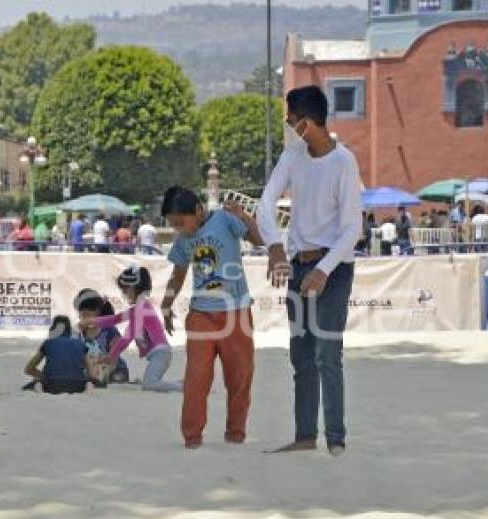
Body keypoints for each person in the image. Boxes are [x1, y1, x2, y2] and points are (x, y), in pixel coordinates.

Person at [256, 85, 363, 457]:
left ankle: (336, 439)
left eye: (290, 119)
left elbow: (353, 229)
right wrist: (273, 246)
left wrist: (325, 269)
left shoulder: (344, 162)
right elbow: (266, 204)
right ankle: (305, 437)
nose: (287, 125)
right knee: (300, 355)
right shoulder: (293, 156)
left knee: (326, 354)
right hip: (299, 265)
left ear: (307, 122)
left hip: (333, 269)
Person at [160, 186, 262, 449]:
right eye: (173, 225)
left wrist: (244, 215)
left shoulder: (225, 219)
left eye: (181, 222)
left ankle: (235, 433)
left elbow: (259, 239)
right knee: (196, 379)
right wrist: (166, 305)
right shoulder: (183, 241)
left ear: (198, 210)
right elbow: (178, 275)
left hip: (236, 313)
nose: (179, 229)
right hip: (201, 316)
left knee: (240, 377)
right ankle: (192, 437)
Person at [85, 267, 182, 392]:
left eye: (124, 290)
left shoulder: (141, 309)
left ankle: (185, 387)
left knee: (149, 385)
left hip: (161, 353)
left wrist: (111, 356)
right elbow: (116, 319)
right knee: (151, 382)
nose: (123, 294)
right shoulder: (140, 307)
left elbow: (127, 337)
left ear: (133, 288)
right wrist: (93, 321)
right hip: (159, 354)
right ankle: (182, 383)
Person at [23, 316, 92, 394]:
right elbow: (90, 372)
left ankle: (39, 389)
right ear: (69, 329)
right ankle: (89, 388)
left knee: (37, 380)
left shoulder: (48, 343)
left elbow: (29, 369)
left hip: (52, 384)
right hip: (77, 384)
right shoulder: (80, 344)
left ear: (53, 329)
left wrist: (43, 376)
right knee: (88, 382)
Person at [75, 289, 129, 385]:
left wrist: (102, 373)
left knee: (116, 379)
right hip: (91, 372)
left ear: (99, 311)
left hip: (115, 370)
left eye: (90, 309)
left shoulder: (110, 330)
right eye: (82, 309)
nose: (85, 312)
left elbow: (114, 359)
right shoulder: (78, 334)